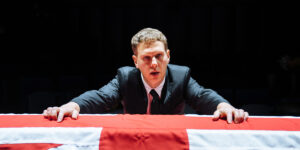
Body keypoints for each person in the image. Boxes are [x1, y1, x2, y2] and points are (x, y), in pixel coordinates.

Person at [43, 28, 249, 123]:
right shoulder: (125, 77)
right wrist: (73, 106)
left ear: (168, 56)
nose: (154, 64)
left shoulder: (181, 76)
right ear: (135, 61)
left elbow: (202, 96)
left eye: (159, 56)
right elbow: (100, 97)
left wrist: (224, 106)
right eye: (146, 58)